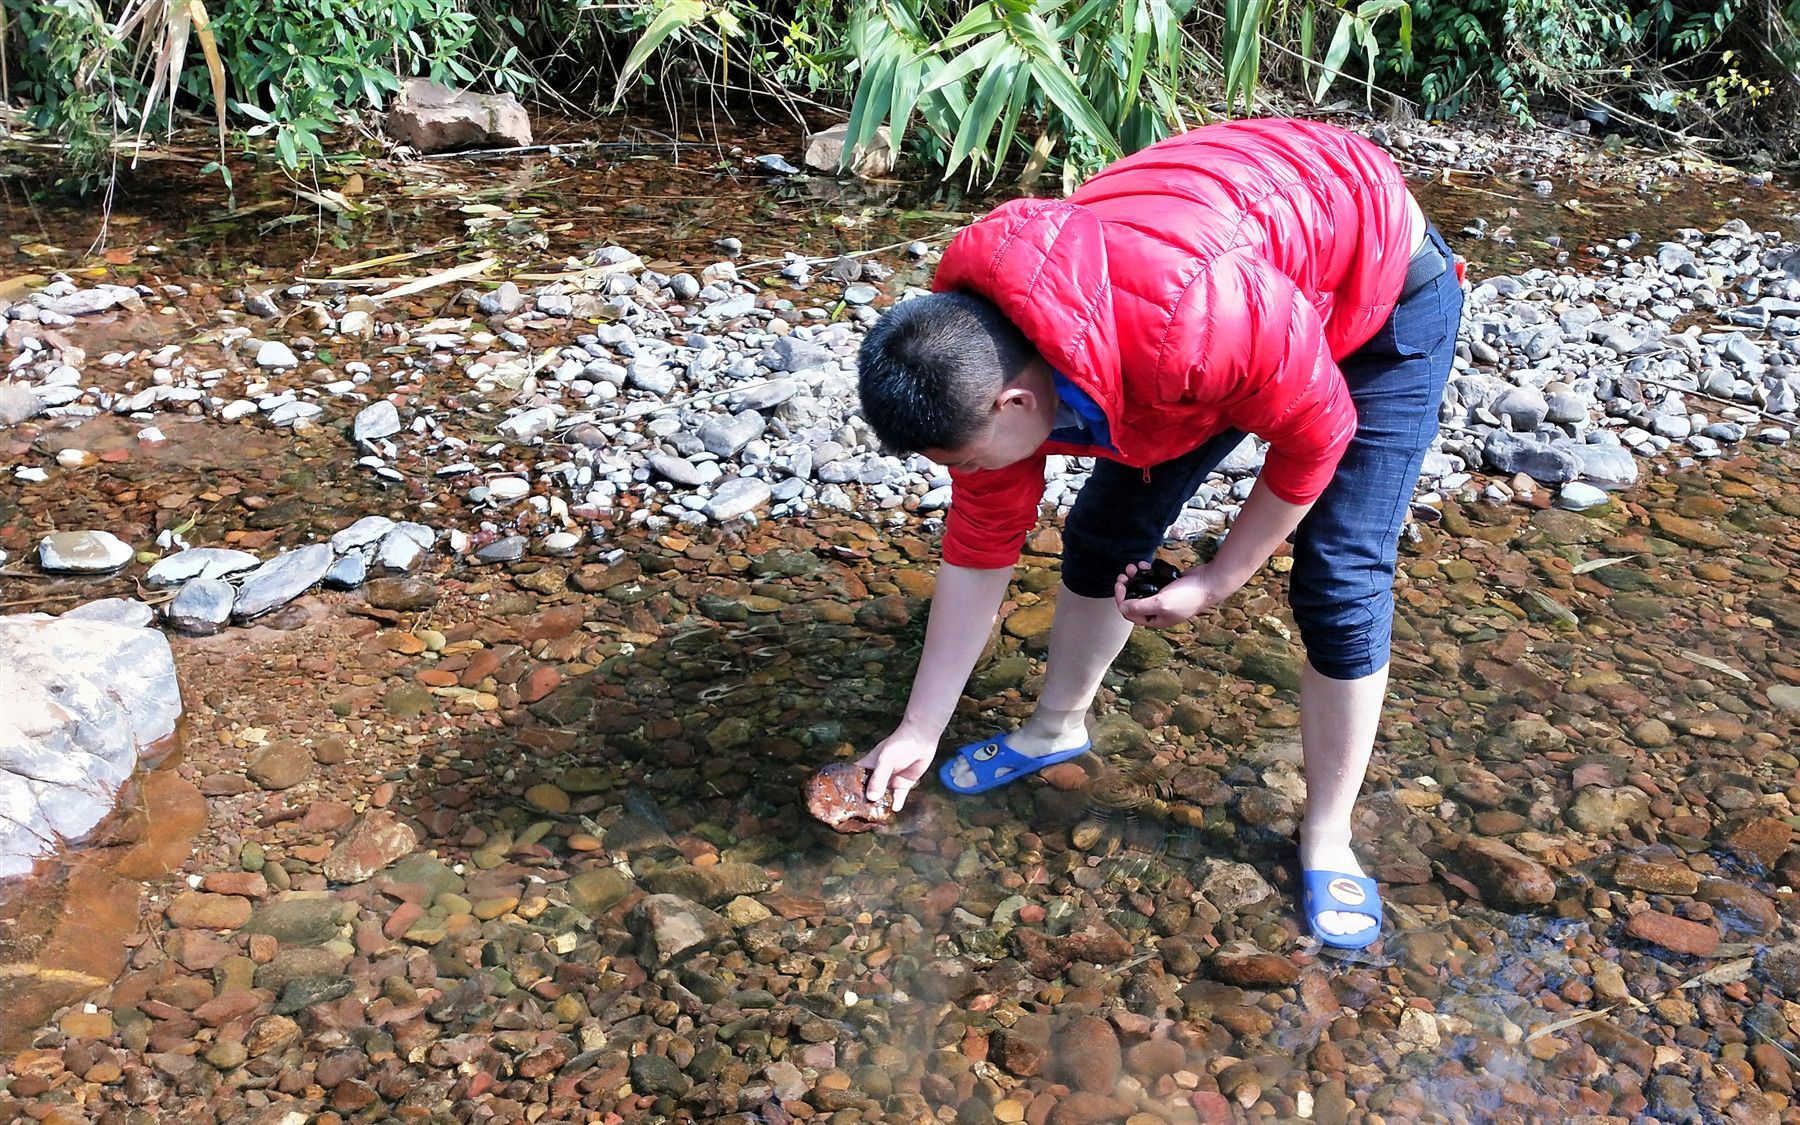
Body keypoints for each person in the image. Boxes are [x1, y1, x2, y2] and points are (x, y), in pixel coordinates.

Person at [852, 117, 1465, 951]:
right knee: (1106, 529)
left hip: (1374, 289)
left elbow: (1316, 435)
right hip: (1232, 283)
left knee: (1338, 579)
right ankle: (1054, 725)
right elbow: (980, 542)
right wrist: (919, 728)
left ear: (1017, 404)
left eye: (962, 457)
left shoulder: (1196, 326)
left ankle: (1327, 833)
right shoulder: (964, 349)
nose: (966, 473)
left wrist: (1218, 578)